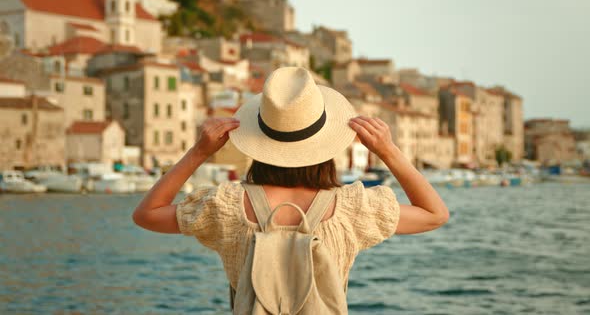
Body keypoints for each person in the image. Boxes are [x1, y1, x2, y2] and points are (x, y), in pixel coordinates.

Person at [132, 67, 449, 306]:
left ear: (259, 142)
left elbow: (147, 214)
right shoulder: (353, 210)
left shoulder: (225, 206)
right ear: (326, 145)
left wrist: (199, 152)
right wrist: (387, 151)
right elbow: (435, 214)